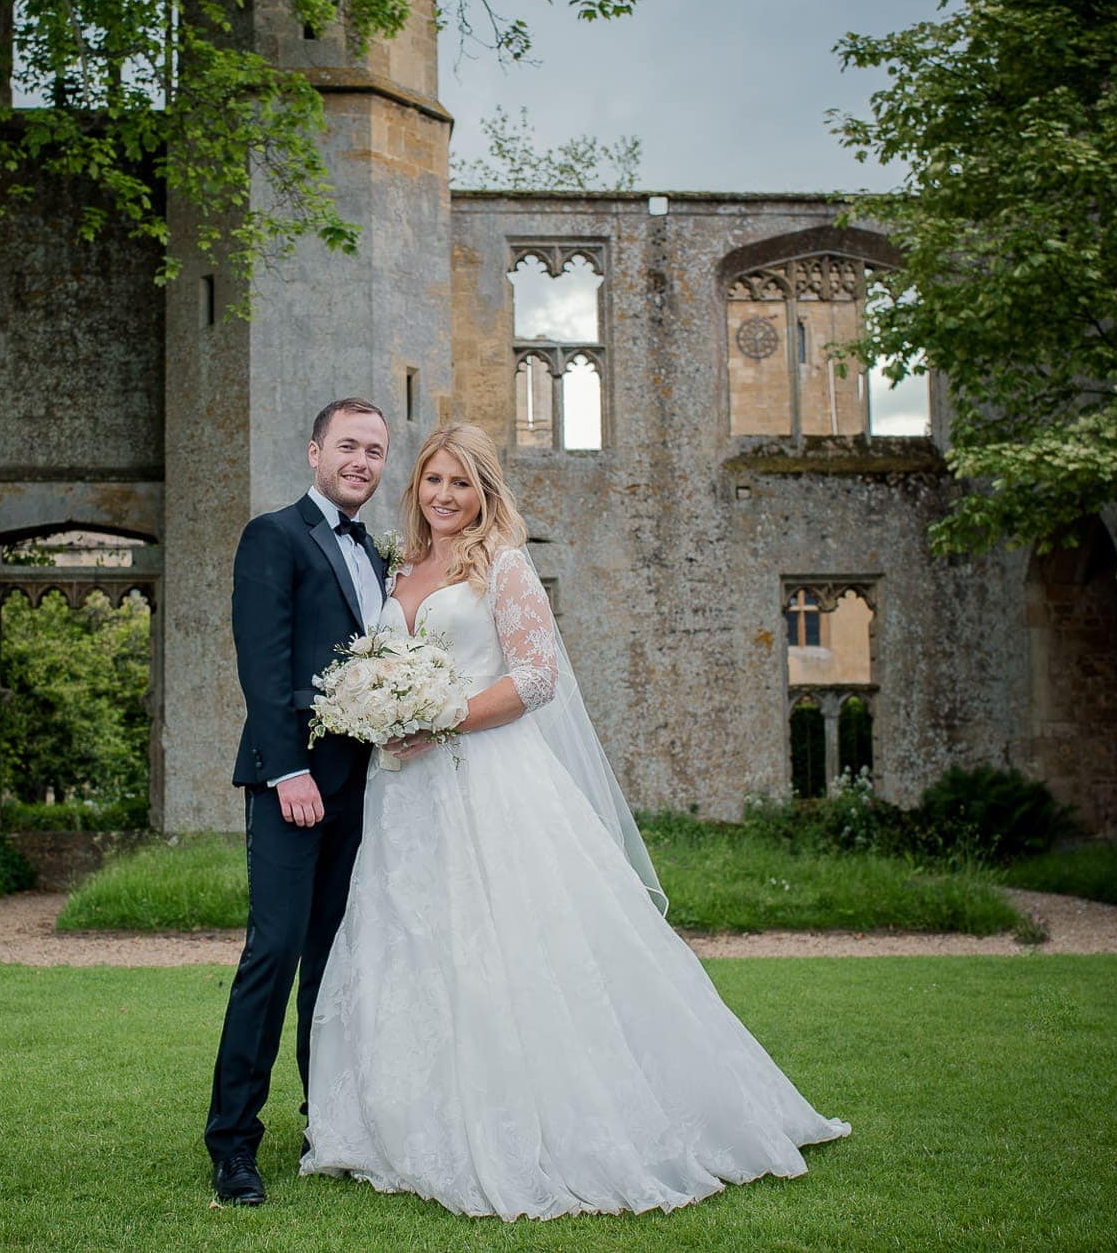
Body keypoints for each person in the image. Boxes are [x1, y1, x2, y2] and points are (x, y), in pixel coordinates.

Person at [300, 422, 851, 1220]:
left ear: (486, 491)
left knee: (512, 951)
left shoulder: (505, 566)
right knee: (412, 945)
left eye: (462, 483)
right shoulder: (403, 565)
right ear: (415, 489)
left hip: (486, 782)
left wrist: (441, 714)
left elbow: (536, 677)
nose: (446, 496)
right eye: (433, 481)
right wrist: (381, 710)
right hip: (405, 799)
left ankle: (546, 1124)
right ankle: (397, 1126)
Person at [205, 397, 392, 1206]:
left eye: (375, 451)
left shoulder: (378, 554)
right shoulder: (272, 536)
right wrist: (288, 773)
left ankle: (330, 1121)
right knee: (273, 956)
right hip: (295, 786)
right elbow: (264, 661)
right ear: (314, 451)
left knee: (336, 964)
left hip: (364, 788)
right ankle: (234, 1146)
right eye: (347, 445)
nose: (361, 461)